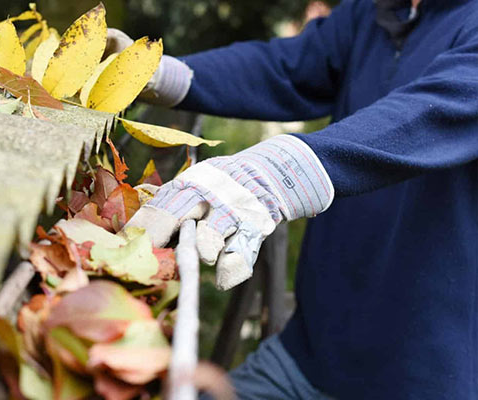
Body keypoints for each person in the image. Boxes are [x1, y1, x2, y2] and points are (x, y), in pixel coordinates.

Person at [110, 0, 478, 398]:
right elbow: (286, 67)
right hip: (306, 358)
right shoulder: (375, 13)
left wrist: (281, 172)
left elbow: (438, 110)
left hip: (427, 380)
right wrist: (163, 74)